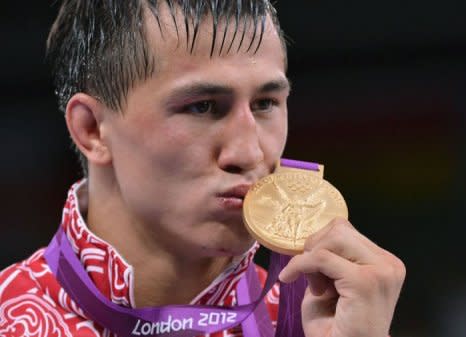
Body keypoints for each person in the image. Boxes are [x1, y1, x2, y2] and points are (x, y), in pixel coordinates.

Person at [0, 1, 406, 336]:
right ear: (92, 129)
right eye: (202, 106)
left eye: (265, 103)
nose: (249, 153)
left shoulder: (324, 323)